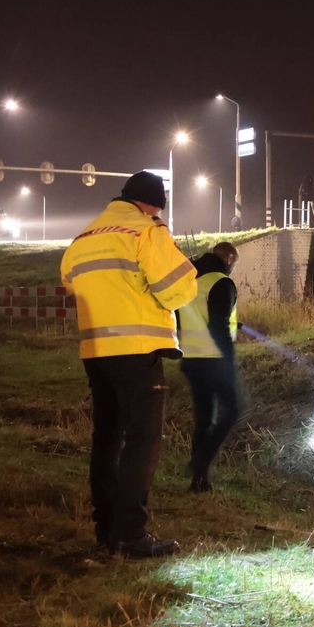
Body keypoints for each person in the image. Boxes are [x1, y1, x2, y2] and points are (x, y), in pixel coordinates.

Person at [61, 171, 197, 558]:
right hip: (137, 351)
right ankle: (131, 534)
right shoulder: (146, 231)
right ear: (152, 206)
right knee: (142, 440)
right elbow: (178, 289)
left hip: (95, 352)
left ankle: (106, 529)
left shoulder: (84, 238)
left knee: (107, 438)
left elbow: (70, 282)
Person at [177, 242, 245, 493]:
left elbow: (188, 317)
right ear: (229, 259)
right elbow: (217, 326)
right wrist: (229, 360)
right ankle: (202, 459)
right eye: (234, 264)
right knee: (235, 410)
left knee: (205, 419)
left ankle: (199, 481)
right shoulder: (222, 282)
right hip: (214, 361)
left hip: (192, 359)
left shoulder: (192, 281)